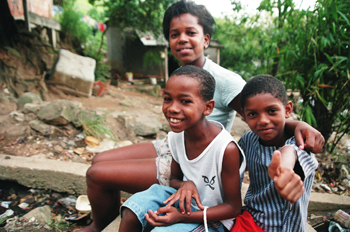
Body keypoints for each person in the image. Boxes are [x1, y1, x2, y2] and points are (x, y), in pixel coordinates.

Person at [79, 1, 324, 231]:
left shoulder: (225, 81)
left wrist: (297, 125)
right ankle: (108, 221)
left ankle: (99, 226)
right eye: (175, 34)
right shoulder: (179, 74)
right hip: (176, 144)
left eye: (190, 32)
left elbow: (260, 116)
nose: (182, 39)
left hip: (204, 156)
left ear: (206, 39)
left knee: (99, 175)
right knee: (98, 160)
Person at [119, 65, 246, 232]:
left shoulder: (225, 149)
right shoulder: (177, 136)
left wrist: (181, 217)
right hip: (184, 203)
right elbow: (173, 180)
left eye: (185, 101)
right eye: (167, 99)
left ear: (208, 107)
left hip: (214, 218)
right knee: (132, 211)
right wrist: (186, 184)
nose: (172, 108)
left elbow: (233, 208)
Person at [231, 74, 319, 232]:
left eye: (271, 111)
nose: (263, 120)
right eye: (252, 114)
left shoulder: (301, 141)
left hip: (290, 228)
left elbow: (291, 152)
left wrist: (284, 168)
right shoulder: (248, 140)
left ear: (287, 110)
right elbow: (229, 164)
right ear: (244, 116)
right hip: (251, 222)